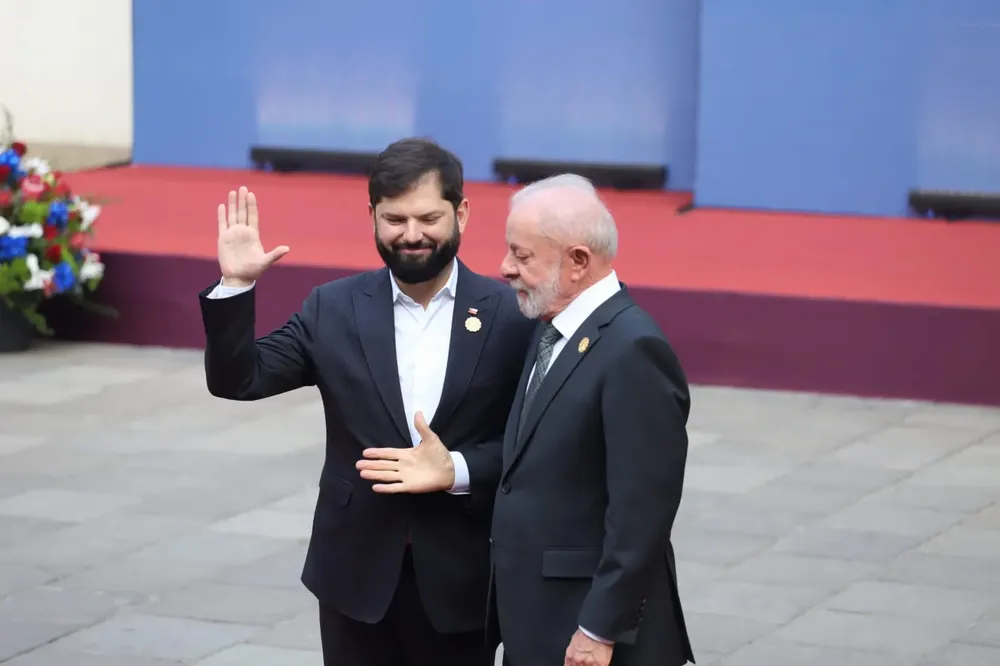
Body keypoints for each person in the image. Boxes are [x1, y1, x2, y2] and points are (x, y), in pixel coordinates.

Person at [198, 137, 536, 666]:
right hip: (353, 575)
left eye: (428, 218)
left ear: (462, 213)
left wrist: (458, 469)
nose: (412, 234)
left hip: (464, 576)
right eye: (394, 219)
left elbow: (534, 444)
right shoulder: (332, 307)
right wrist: (236, 286)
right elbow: (239, 379)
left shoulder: (511, 315)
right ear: (372, 216)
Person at [489, 174, 695, 666]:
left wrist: (599, 628)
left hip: (588, 636)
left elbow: (642, 514)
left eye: (521, 255)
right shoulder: (551, 329)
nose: (505, 267)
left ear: (578, 261)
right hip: (539, 622)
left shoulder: (633, 350)